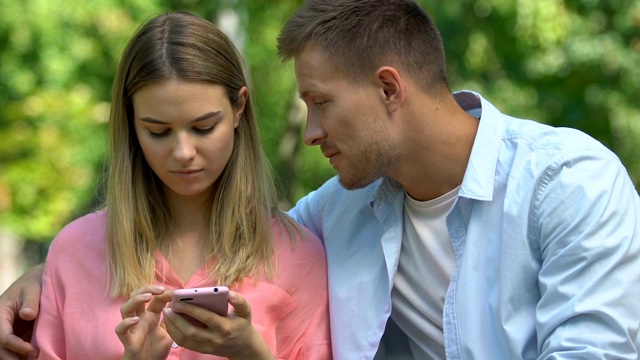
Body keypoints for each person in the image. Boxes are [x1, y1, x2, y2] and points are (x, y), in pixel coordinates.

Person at [2, 0, 640, 359]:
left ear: (389, 88)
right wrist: (45, 277)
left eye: (321, 102)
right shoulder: (335, 216)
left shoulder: (568, 185)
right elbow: (240, 250)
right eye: (159, 131)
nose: (309, 132)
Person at [1, 11, 331, 360]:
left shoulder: (299, 258)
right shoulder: (73, 253)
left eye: (204, 127)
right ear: (131, 122)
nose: (183, 153)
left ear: (239, 108)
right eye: (158, 132)